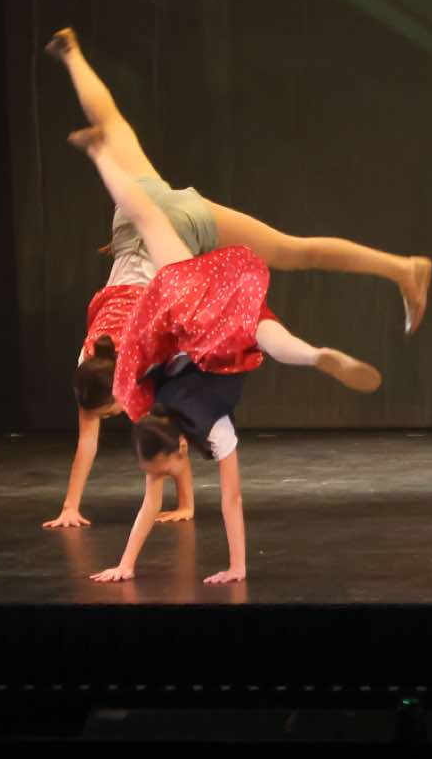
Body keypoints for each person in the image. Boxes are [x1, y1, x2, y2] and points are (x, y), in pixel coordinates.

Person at [44, 26, 430, 529]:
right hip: (136, 210)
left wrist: (80, 506)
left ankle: (397, 274)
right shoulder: (90, 357)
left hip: (169, 243)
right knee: (112, 123)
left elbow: (147, 433)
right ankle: (72, 54)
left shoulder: (134, 369)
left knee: (290, 254)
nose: (115, 414)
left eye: (109, 411)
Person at [78, 127, 382, 586]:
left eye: (157, 470)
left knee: (267, 337)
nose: (155, 478)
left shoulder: (214, 430)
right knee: (146, 218)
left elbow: (227, 500)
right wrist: (127, 565)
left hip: (220, 337)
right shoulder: (150, 408)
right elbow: (135, 363)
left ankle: (310, 353)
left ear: (179, 451)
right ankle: (101, 154)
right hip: (195, 295)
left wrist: (235, 567)